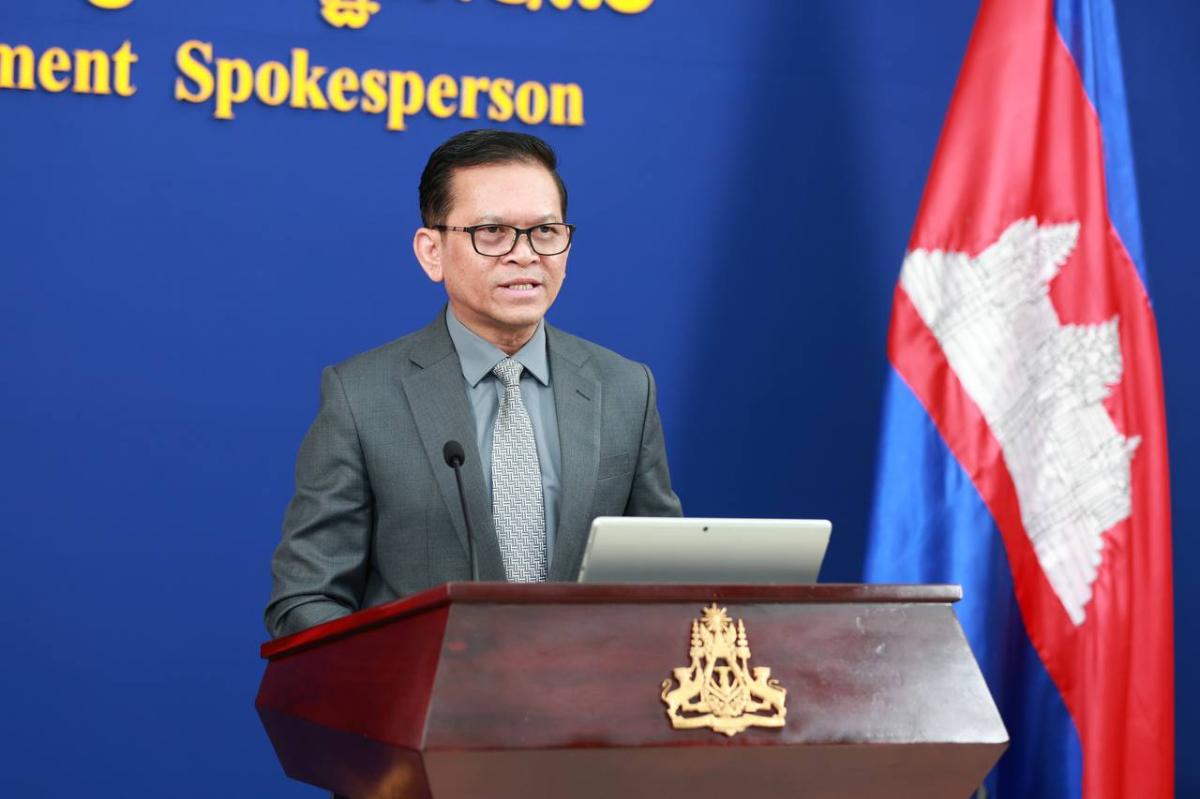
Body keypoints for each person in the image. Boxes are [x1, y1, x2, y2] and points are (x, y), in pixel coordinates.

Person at [265, 129, 682, 638]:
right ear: (432, 252)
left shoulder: (625, 389)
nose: (524, 254)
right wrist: (398, 673)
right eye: (492, 232)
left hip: (584, 685)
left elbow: (666, 579)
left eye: (545, 231)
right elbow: (307, 597)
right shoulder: (362, 397)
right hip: (422, 685)